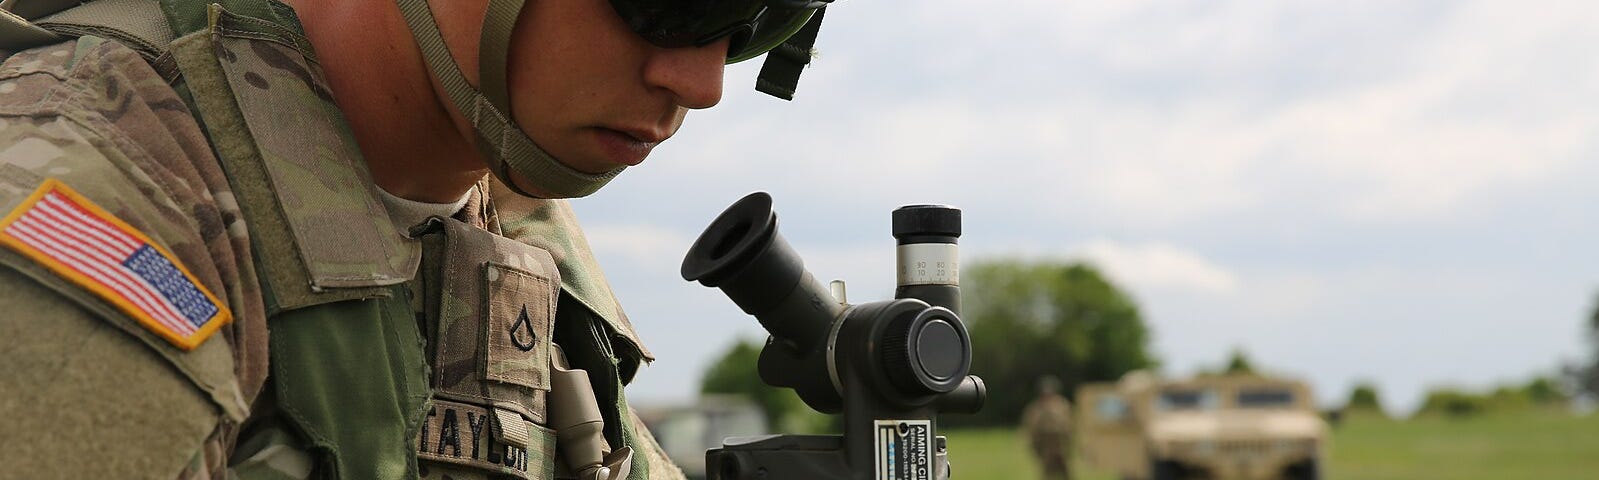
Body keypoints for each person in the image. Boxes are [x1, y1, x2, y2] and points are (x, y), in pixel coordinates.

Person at [0, 0, 831, 478]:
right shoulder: (100, 196)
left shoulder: (507, 222)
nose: (701, 81)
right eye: (676, 0)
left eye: (755, 15)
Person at [1020, 375, 1075, 480]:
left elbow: (1069, 426)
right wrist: (1035, 448)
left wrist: (1069, 444)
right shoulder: (1035, 409)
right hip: (1046, 448)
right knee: (1047, 475)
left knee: (1067, 474)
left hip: (1061, 447)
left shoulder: (1063, 406)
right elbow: (1031, 430)